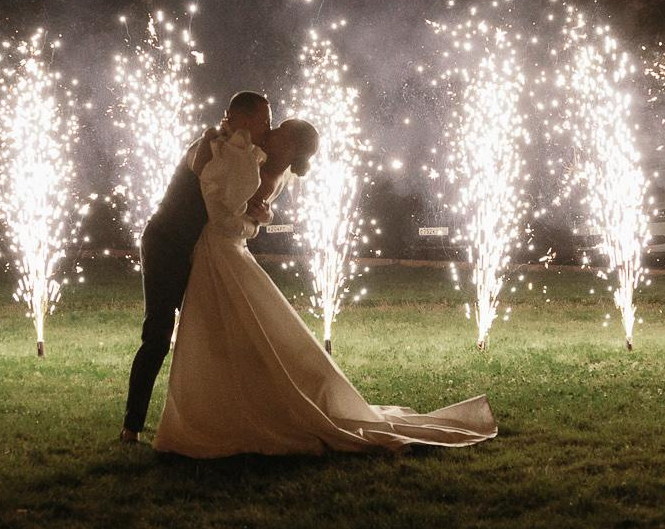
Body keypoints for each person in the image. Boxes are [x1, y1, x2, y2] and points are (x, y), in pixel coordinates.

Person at [153, 118, 496, 456]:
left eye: (280, 132)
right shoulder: (262, 164)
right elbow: (250, 207)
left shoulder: (265, 170)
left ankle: (232, 409)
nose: (270, 134)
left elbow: (233, 209)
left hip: (222, 250)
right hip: (218, 251)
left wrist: (243, 201)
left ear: (290, 146)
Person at [122, 90, 273, 442]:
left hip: (200, 252)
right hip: (167, 245)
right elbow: (209, 183)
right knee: (158, 334)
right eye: (263, 120)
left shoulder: (241, 155)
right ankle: (132, 424)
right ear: (241, 119)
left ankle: (214, 418)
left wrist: (261, 213)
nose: (268, 126)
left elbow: (240, 202)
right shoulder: (207, 145)